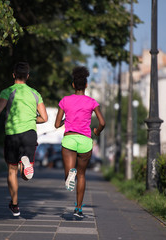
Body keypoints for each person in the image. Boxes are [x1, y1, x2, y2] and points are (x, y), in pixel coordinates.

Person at [0, 62, 48, 217]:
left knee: (11, 170)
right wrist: (31, 119)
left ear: (13, 75)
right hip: (30, 134)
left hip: (13, 134)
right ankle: (25, 165)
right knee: (25, 174)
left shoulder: (8, 91)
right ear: (27, 76)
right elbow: (45, 118)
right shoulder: (35, 93)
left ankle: (14, 205)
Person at [54, 66, 105, 218]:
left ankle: (70, 174)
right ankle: (78, 209)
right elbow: (102, 122)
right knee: (82, 175)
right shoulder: (92, 102)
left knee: (69, 174)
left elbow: (56, 125)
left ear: (73, 85)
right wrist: (97, 131)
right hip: (85, 141)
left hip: (70, 139)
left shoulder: (65, 101)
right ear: (86, 85)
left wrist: (64, 121)